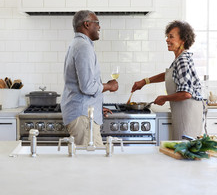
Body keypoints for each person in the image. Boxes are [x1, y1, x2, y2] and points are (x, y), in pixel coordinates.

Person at [131, 20, 203, 140]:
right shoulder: (180, 59)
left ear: (183, 40)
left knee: (186, 151)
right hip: (183, 113)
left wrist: (164, 98)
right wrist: (145, 81)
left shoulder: (182, 61)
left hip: (188, 115)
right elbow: (169, 75)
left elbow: (186, 94)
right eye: (167, 36)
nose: (167, 40)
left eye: (171, 37)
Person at [61, 10, 118, 146]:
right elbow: (87, 86)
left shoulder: (77, 44)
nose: (99, 27)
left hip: (83, 113)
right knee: (93, 162)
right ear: (87, 24)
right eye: (97, 23)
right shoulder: (84, 47)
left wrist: (96, 106)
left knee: (90, 161)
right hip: (83, 117)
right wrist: (110, 86)